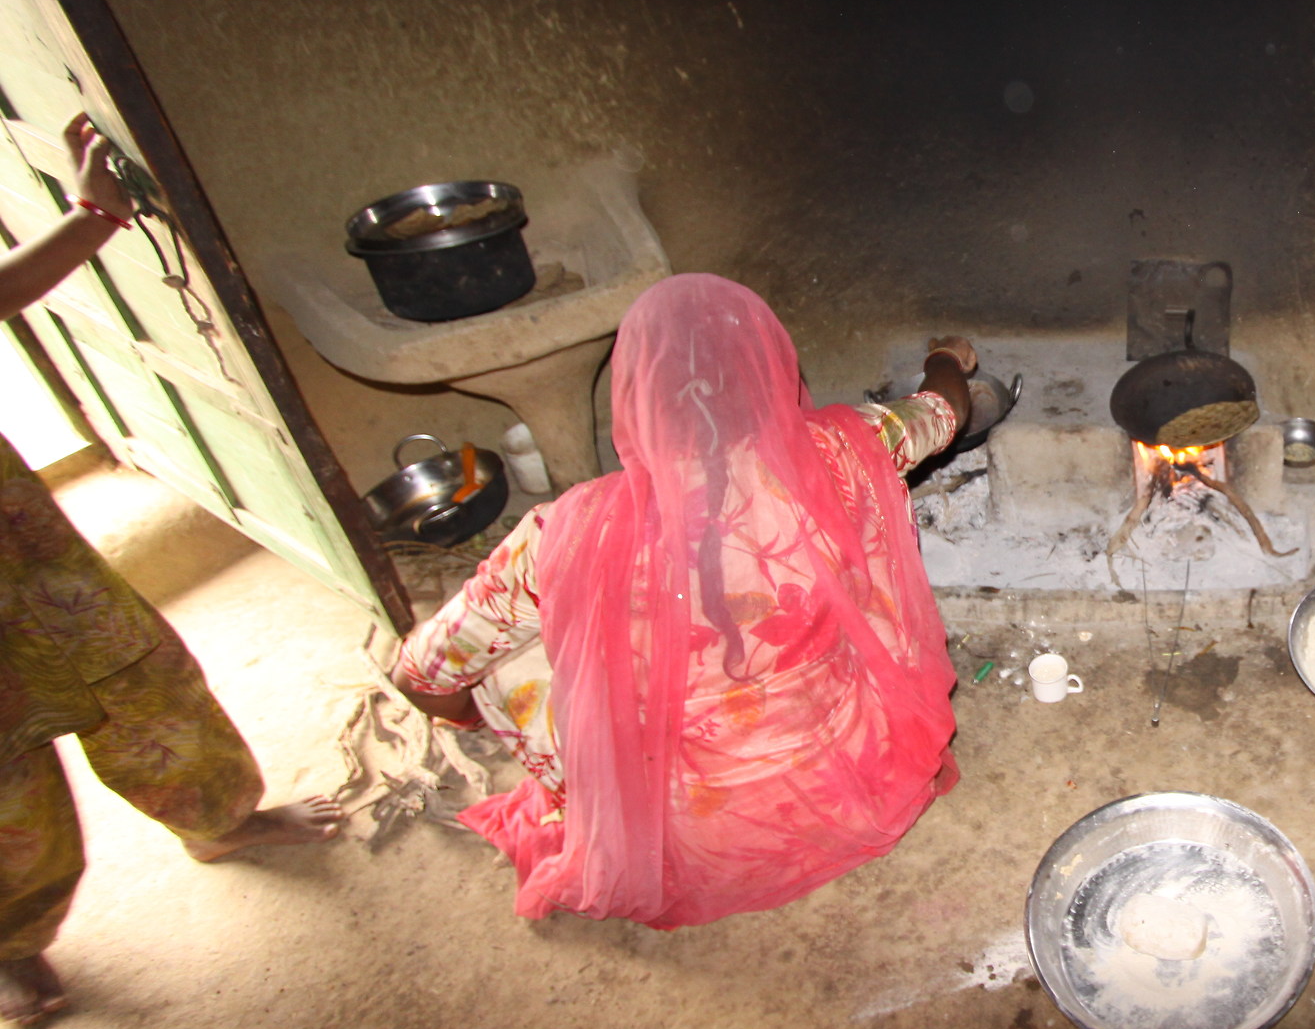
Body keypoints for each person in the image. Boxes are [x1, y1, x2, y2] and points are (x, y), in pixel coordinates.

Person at [391, 273, 972, 929]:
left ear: (636, 397)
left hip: (684, 832)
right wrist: (948, 358)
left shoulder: (568, 532)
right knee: (858, 566)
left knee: (506, 657)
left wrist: (504, 722)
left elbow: (423, 680)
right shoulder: (841, 449)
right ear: (770, 374)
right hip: (853, 782)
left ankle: (599, 781)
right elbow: (946, 410)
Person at [0, 116, 341, 1028]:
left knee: (139, 680)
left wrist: (91, 218)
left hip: (15, 555)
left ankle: (219, 822)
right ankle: (12, 941)